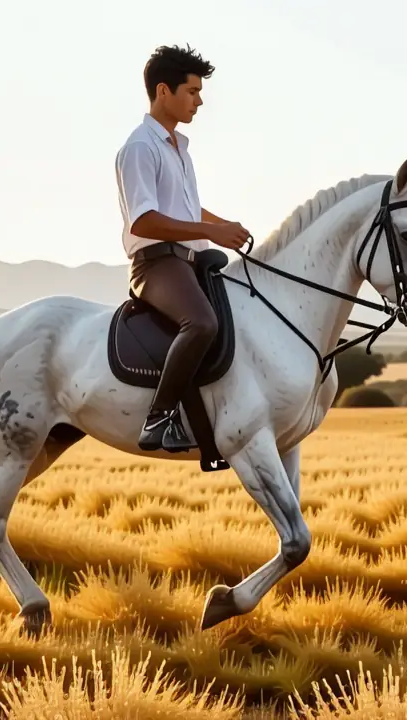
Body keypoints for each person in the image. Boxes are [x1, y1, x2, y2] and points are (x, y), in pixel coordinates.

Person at [115, 44, 250, 452]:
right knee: (203, 324)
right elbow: (144, 220)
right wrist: (209, 229)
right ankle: (158, 417)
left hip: (188, 261)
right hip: (155, 265)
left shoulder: (179, 148)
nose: (200, 100)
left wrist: (219, 225)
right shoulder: (140, 147)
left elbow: (186, 205)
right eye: (192, 91)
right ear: (162, 91)